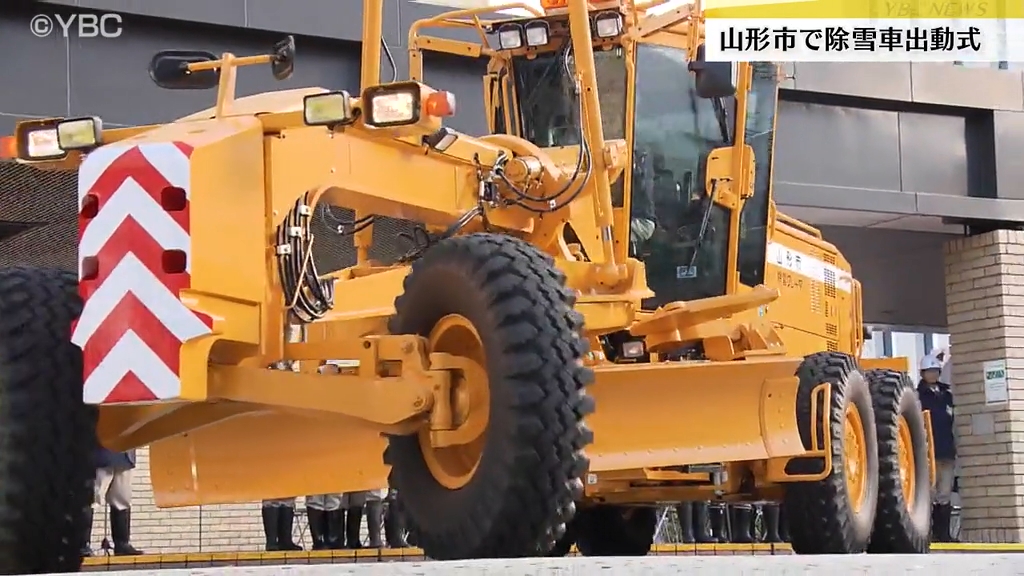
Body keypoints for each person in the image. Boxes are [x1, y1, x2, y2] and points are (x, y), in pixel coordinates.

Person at [917, 351, 957, 542]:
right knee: (929, 494)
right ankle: (929, 534)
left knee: (945, 493)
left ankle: (944, 534)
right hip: (927, 454)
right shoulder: (917, 396)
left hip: (946, 450)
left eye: (935, 370)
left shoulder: (947, 394)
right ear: (922, 373)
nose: (932, 374)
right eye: (928, 371)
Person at [91, 447, 142, 556]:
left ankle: (122, 544)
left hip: (125, 455)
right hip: (102, 452)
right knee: (92, 497)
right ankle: (81, 544)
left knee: (122, 499)